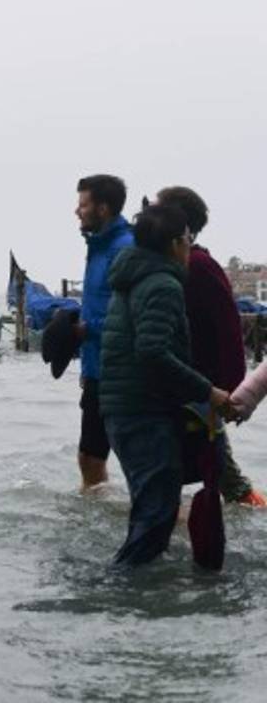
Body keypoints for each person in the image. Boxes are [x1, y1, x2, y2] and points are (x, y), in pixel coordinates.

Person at [100, 204, 232, 566]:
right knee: (156, 517)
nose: (191, 245)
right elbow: (153, 352)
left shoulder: (132, 276)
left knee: (150, 510)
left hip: (124, 409)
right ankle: (120, 587)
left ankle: (130, 583)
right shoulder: (162, 284)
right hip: (142, 411)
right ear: (175, 243)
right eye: (188, 238)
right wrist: (208, 391)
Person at [155, 186, 265, 506]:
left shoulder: (200, 265)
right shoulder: (168, 265)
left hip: (200, 389)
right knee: (211, 470)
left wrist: (230, 390)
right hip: (184, 388)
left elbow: (229, 330)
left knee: (215, 472)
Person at [73, 175, 135, 489]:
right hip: (97, 368)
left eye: (83, 205)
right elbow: (98, 306)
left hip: (120, 372)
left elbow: (129, 316)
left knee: (133, 459)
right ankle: (96, 514)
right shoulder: (97, 246)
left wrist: (86, 330)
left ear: (103, 208)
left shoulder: (123, 249)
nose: (76, 211)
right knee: (90, 457)